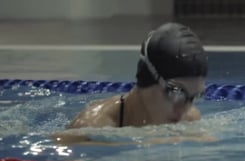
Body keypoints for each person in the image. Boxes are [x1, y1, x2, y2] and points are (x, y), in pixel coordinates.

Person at [67, 22, 208, 129]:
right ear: (148, 79)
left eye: (194, 97)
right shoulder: (91, 126)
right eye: (177, 93)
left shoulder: (190, 119)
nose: (184, 109)